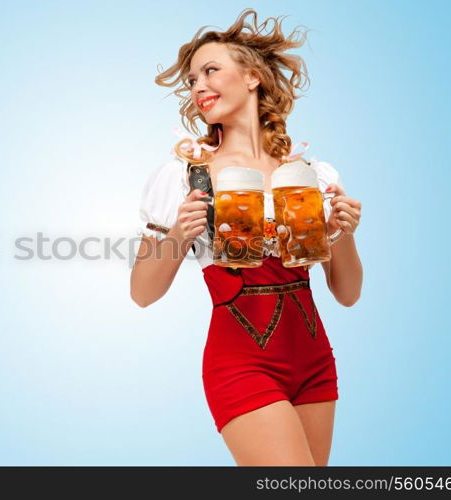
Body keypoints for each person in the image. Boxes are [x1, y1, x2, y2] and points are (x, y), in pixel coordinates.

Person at [129, 9, 363, 466]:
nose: (198, 86)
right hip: (241, 362)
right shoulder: (183, 177)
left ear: (252, 77)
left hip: (316, 361)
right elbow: (142, 293)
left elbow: (348, 293)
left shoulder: (310, 176)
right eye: (192, 78)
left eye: (210, 70)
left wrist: (344, 233)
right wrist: (180, 232)